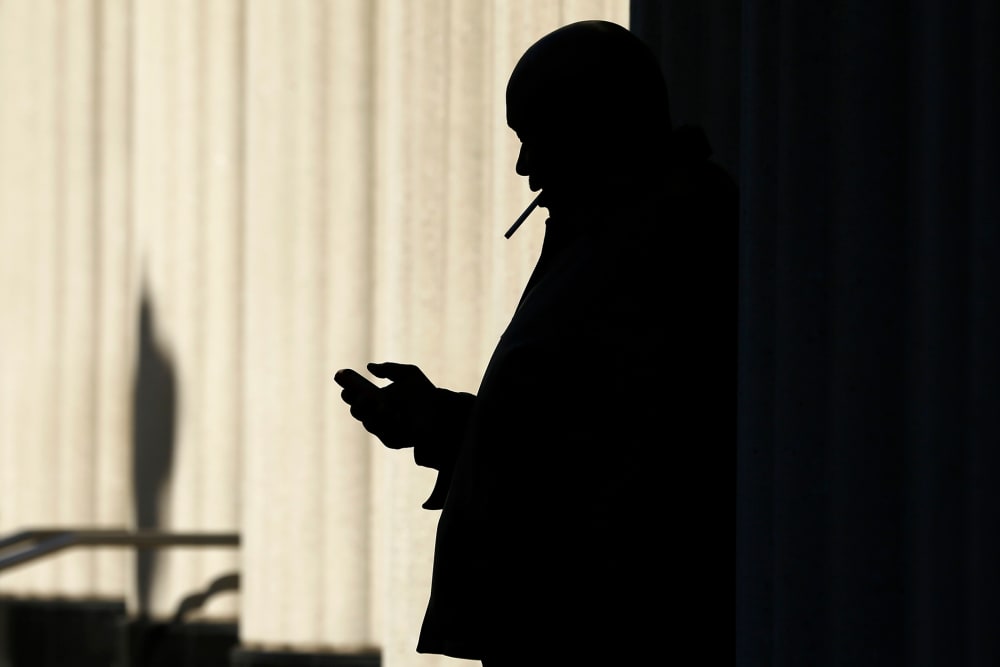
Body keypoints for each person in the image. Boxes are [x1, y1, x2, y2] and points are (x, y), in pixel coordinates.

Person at [335, 19, 736, 666]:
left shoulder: (662, 242)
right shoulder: (614, 233)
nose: (524, 167)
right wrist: (434, 418)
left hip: (597, 628)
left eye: (534, 139)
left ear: (595, 125)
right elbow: (562, 428)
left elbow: (617, 449)